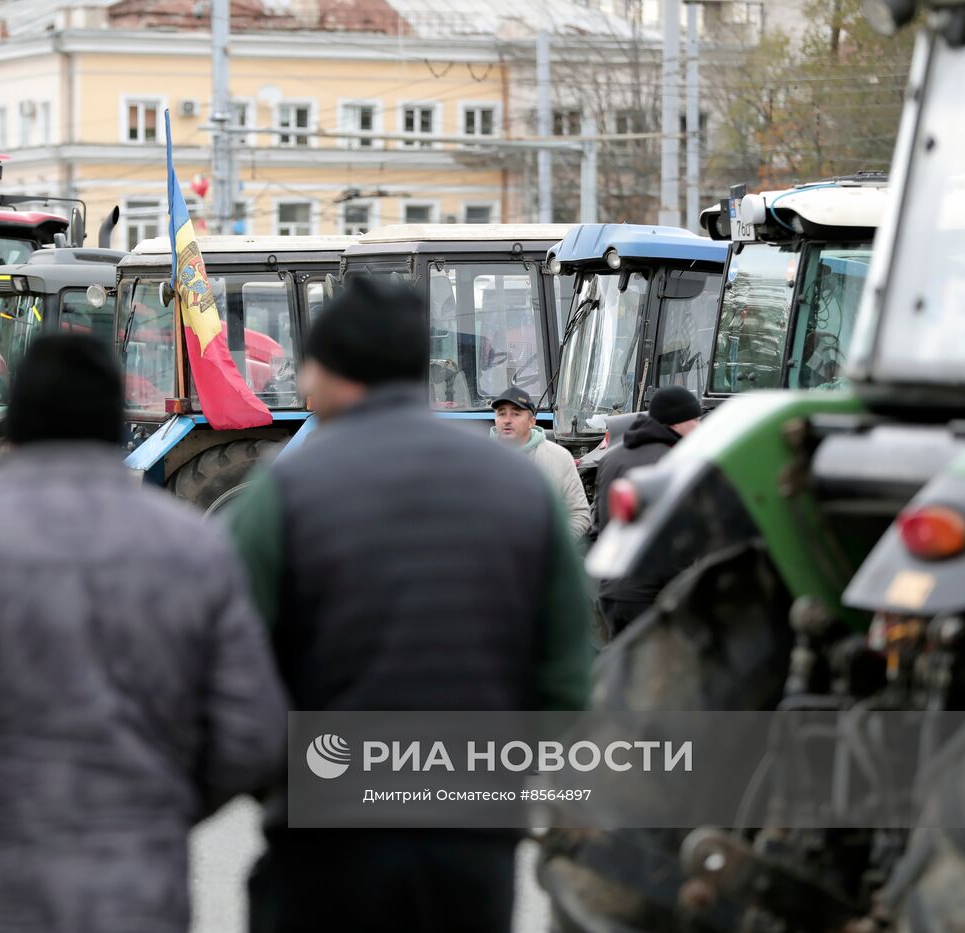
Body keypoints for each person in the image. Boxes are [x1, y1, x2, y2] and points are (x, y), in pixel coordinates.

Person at [0, 334, 287, 933]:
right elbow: (252, 729)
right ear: (115, 428)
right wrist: (163, 810)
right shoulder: (194, 548)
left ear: (19, 429)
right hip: (141, 887)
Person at [227, 277, 594, 933]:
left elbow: (235, 677)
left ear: (333, 370)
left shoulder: (284, 490)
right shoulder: (520, 490)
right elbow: (566, 683)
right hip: (471, 846)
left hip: (326, 841)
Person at [591, 384, 703, 637]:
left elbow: (598, 524)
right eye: (695, 420)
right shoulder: (675, 460)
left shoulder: (612, 457)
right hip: (654, 596)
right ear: (677, 422)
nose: (700, 426)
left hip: (612, 591)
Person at [491, 386, 591, 539]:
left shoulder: (559, 458)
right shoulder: (476, 460)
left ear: (532, 422)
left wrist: (554, 547)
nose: (507, 420)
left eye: (516, 414)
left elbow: (579, 514)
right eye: (501, 413)